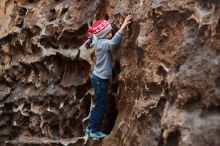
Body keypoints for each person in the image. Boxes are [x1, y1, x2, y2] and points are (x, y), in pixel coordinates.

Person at [85, 15, 133, 139]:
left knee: (98, 104)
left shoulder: (97, 38)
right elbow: (113, 42)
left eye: (110, 32)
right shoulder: (103, 44)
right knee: (102, 106)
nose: (110, 35)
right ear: (102, 36)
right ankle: (94, 131)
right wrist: (124, 25)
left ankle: (90, 127)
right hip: (101, 80)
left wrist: (94, 28)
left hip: (97, 77)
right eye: (107, 34)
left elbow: (93, 35)